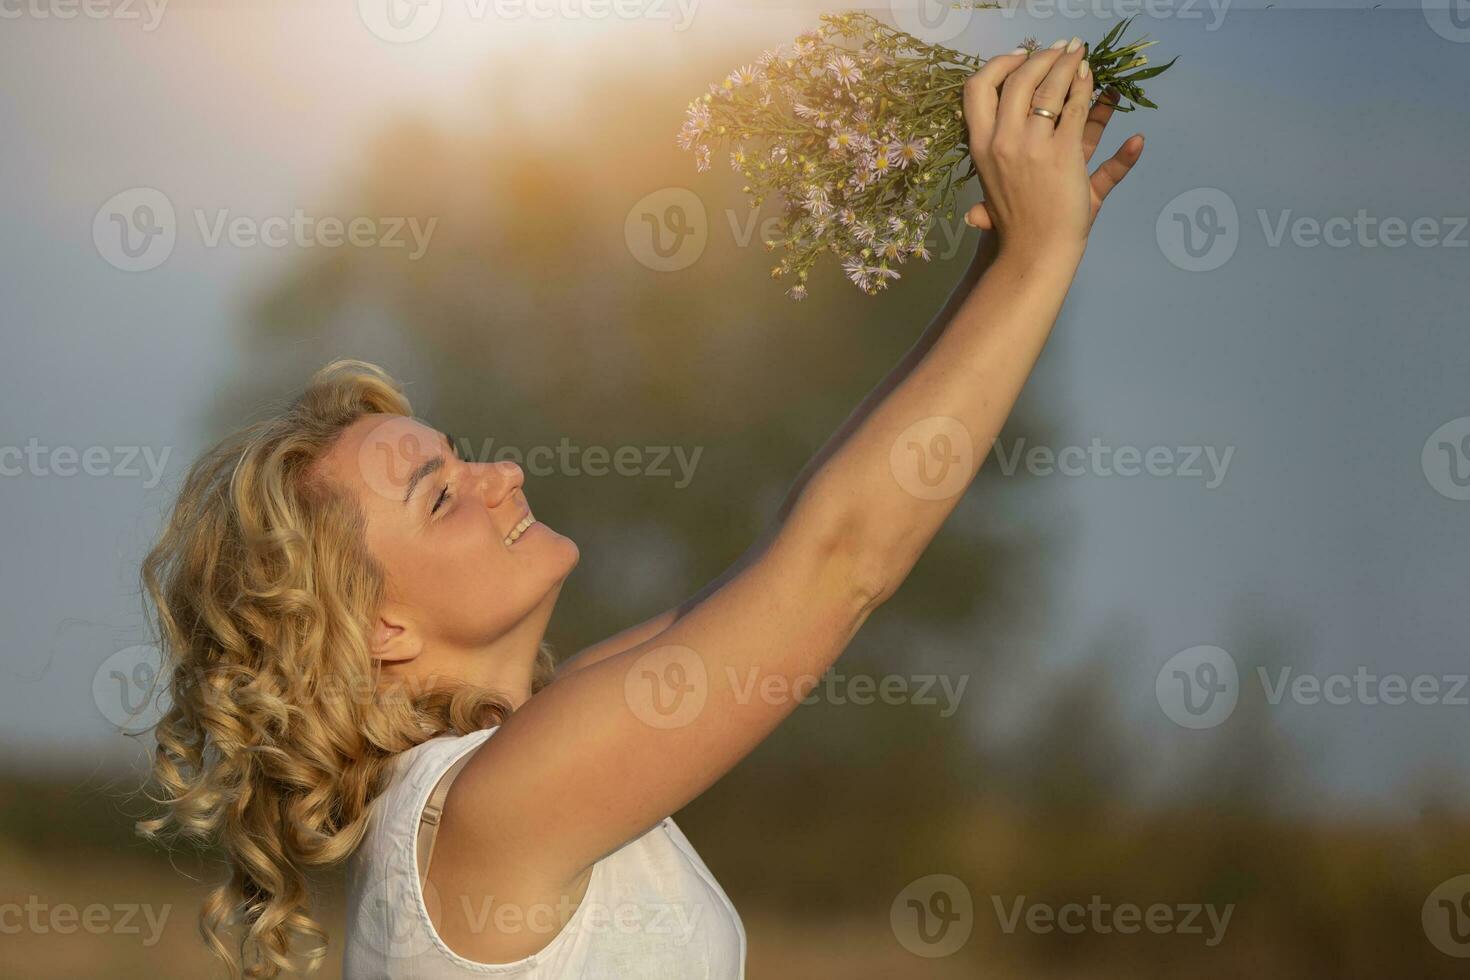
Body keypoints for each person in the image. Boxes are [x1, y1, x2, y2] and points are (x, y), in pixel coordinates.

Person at [137, 36, 1144, 979]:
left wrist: (1005, 255)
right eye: (441, 493)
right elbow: (836, 567)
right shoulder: (492, 808)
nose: (504, 474)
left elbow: (797, 548)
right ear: (376, 627)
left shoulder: (513, 764)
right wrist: (1035, 259)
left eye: (462, 457)